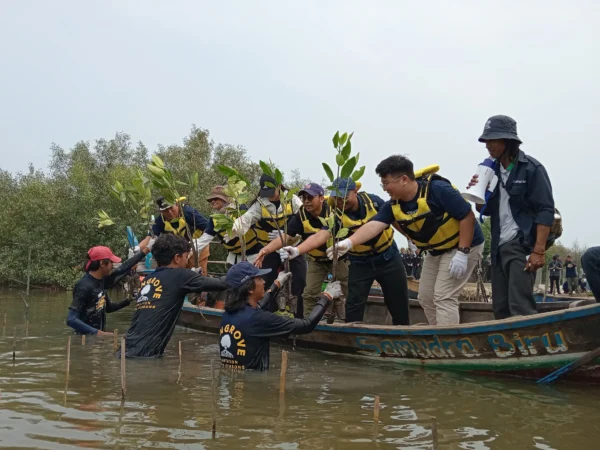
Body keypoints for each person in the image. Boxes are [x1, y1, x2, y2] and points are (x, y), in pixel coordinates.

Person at [330, 156, 484, 326]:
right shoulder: (394, 205)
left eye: (387, 183)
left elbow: (467, 216)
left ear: (403, 179)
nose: (385, 188)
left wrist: (463, 252)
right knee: (425, 296)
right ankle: (437, 333)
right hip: (436, 250)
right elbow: (374, 225)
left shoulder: (438, 190)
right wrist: (348, 243)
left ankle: (448, 342)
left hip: (464, 244)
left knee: (444, 295)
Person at [279, 177, 409, 325]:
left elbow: (392, 219)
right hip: (360, 261)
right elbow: (321, 235)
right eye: (337, 198)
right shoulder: (335, 212)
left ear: (355, 191)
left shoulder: (373, 202)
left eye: (344, 197)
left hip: (388, 256)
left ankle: (404, 336)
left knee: (398, 301)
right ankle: (354, 341)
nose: (341, 202)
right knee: (354, 304)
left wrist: (409, 237)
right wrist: (297, 250)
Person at [468, 115, 555, 319]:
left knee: (520, 304)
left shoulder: (532, 168)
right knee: (500, 307)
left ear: (508, 141)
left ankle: (526, 348)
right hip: (498, 246)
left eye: (493, 140)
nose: (488, 145)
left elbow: (545, 210)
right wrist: (478, 192)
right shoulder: (491, 170)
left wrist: (538, 251)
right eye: (486, 141)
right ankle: (505, 347)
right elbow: (485, 209)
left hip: (521, 244)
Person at [218, 261, 341, 370]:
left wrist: (277, 284)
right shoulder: (258, 319)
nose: (264, 281)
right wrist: (327, 297)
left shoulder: (228, 314)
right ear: (249, 288)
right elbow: (306, 325)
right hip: (254, 386)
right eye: (260, 279)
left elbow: (258, 307)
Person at [253, 183, 348, 321]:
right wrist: (265, 250)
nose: (306, 201)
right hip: (316, 260)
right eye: (303, 198)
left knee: (346, 290)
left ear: (321, 198)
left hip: (339, 259)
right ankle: (309, 322)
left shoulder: (333, 212)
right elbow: (286, 236)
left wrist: (297, 250)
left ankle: (347, 322)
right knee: (309, 293)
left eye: (310, 197)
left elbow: (320, 237)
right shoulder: (301, 214)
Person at [123, 234, 228, 358]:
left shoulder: (149, 279)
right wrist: (245, 270)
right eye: (185, 256)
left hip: (127, 350)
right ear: (177, 258)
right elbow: (223, 283)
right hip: (145, 356)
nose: (186, 261)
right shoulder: (181, 275)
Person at [231, 174, 306, 317]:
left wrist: (288, 237)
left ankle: (299, 316)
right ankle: (267, 314)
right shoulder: (261, 203)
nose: (269, 197)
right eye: (266, 193)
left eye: (272, 192)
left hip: (294, 247)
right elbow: (248, 218)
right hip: (269, 249)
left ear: (279, 186)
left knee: (299, 279)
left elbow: (304, 223)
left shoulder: (293, 200)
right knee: (265, 280)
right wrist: (235, 227)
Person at [67, 242, 153, 335]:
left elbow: (109, 308)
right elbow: (71, 319)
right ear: (102, 263)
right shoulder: (84, 286)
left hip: (97, 339)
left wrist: (129, 300)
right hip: (84, 340)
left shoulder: (101, 281)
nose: (113, 265)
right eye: (111, 262)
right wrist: (99, 333)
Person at [192, 186, 263, 267]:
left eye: (216, 198)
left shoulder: (240, 210)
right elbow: (205, 238)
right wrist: (192, 249)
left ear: (225, 199)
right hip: (234, 259)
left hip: (255, 256)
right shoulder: (214, 219)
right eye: (211, 200)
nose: (213, 201)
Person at [138, 197, 210, 275]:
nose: (169, 212)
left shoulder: (188, 213)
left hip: (198, 248)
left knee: (198, 274)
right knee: (180, 275)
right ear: (161, 211)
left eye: (171, 208)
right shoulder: (161, 220)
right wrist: (137, 250)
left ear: (176, 205)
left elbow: (209, 228)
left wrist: (197, 244)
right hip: (181, 251)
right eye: (165, 210)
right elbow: (150, 237)